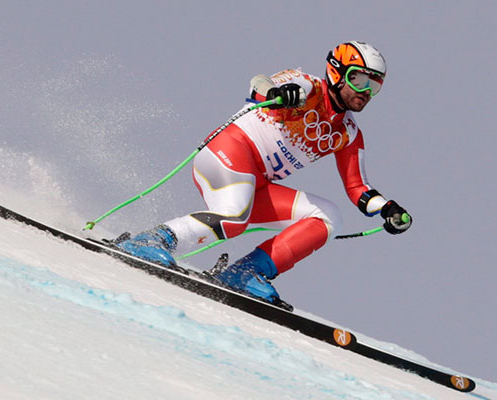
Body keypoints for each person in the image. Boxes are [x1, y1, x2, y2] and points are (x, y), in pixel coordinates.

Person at [114, 41, 411, 304]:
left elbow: (357, 186)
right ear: (336, 72)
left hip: (255, 184)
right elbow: (259, 84)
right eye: (358, 80)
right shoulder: (308, 86)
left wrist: (387, 209)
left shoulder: (348, 132)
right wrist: (279, 92)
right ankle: (149, 242)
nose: (365, 92)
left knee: (327, 217)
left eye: (375, 86)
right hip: (227, 153)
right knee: (233, 218)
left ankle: (245, 274)